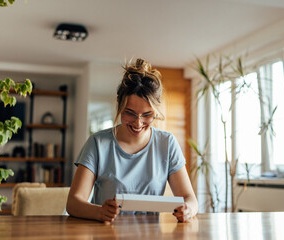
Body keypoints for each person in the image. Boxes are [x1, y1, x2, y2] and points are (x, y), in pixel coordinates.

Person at [66, 58, 198, 223]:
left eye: (147, 115)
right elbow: (73, 203)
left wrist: (188, 209)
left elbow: (190, 199)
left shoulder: (167, 143)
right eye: (130, 113)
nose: (138, 122)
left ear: (156, 112)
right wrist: (100, 212)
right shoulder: (97, 143)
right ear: (119, 105)